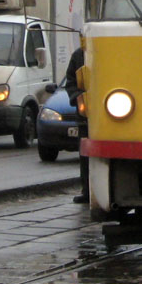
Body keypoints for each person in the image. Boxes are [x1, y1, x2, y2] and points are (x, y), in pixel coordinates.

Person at [64, 46, 88, 204]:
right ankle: (87, 190)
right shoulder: (79, 55)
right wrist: (78, 97)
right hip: (86, 116)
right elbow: (71, 83)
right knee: (86, 155)